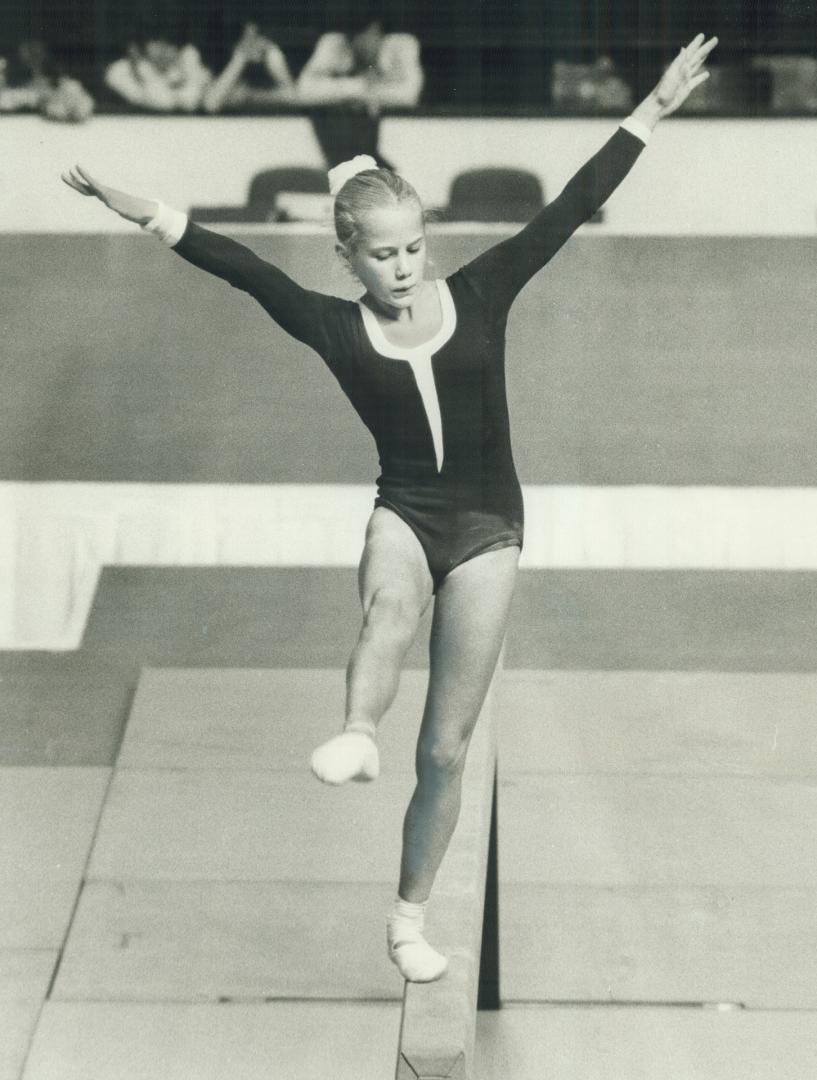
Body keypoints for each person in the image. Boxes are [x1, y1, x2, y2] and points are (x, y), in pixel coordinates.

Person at [62, 33, 717, 984]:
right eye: (382, 255)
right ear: (350, 258)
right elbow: (242, 269)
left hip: (491, 528)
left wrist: (649, 109)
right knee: (387, 609)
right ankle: (356, 732)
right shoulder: (334, 326)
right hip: (406, 512)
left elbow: (571, 207)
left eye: (414, 248)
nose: (403, 267)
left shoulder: (483, 290)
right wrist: (146, 212)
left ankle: (407, 920)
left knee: (446, 750)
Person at [296, 12, 423, 169]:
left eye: (369, 35)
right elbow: (304, 91)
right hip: (340, 142)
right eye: (355, 37)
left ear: (379, 31)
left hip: (390, 139)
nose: (361, 43)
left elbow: (409, 95)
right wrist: (361, 87)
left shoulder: (402, 43)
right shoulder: (334, 41)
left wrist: (350, 92)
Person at [202, 23, 296, 114]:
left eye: (257, 38)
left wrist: (274, 56)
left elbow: (292, 97)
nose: (253, 44)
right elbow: (211, 103)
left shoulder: (271, 59)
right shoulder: (232, 63)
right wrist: (239, 59)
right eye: (247, 39)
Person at [104, 35, 212, 112]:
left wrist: (189, 63)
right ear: (143, 45)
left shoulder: (192, 68)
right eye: (156, 41)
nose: (162, 49)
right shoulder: (120, 70)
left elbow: (190, 102)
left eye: (169, 44)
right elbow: (162, 104)